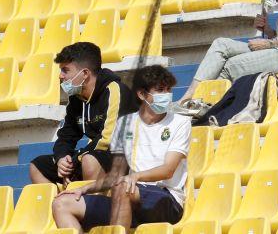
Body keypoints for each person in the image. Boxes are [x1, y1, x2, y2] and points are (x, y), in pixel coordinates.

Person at [51, 65, 189, 232]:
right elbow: (115, 176)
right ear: (141, 94)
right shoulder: (125, 124)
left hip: (166, 200)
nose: (166, 96)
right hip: (128, 197)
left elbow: (168, 170)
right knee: (62, 203)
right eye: (160, 90)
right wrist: (84, 188)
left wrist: (135, 177)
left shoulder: (180, 123)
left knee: (123, 187)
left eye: (168, 90)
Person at [30, 42, 137, 186]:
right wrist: (63, 158)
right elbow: (66, 136)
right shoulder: (76, 97)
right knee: (37, 166)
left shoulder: (115, 91)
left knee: (89, 161)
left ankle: (90, 206)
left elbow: (108, 139)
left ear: (85, 73)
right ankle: (64, 203)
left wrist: (75, 161)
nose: (60, 76)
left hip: (127, 158)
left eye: (65, 70)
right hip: (93, 155)